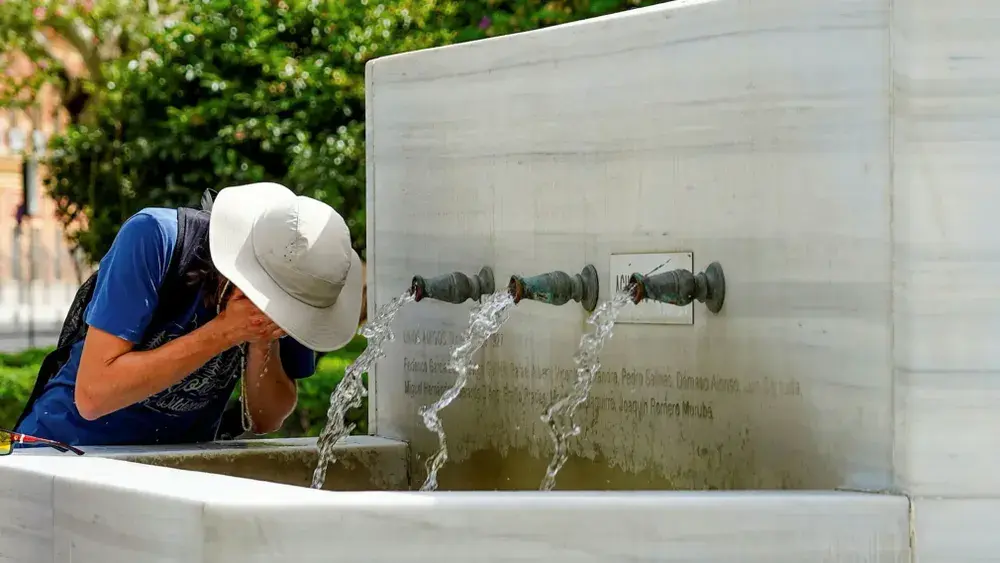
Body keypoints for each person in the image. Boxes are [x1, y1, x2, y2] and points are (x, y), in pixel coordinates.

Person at [15, 182, 365, 446]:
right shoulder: (156, 239)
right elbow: (94, 395)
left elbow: (266, 418)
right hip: (62, 453)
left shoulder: (300, 278)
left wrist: (262, 342)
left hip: (168, 472)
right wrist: (224, 332)